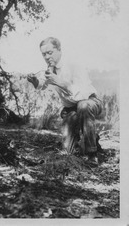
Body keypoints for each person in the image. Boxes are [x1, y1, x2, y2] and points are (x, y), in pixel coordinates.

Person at [27, 37, 102, 166]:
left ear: (59, 50)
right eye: (43, 54)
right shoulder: (51, 68)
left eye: (50, 53)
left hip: (90, 102)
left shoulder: (74, 64)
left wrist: (60, 82)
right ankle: (90, 138)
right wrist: (35, 81)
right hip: (71, 109)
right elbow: (43, 85)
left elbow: (83, 94)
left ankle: (92, 154)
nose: (46, 57)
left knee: (83, 106)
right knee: (68, 151)